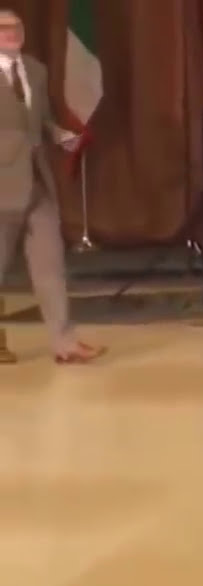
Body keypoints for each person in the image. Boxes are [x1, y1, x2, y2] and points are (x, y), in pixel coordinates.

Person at [0, 8, 104, 366]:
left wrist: (61, 135)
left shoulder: (35, 70)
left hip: (38, 181)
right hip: (2, 185)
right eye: (3, 28)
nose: (11, 33)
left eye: (16, 27)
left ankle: (65, 343)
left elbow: (40, 119)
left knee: (50, 265)